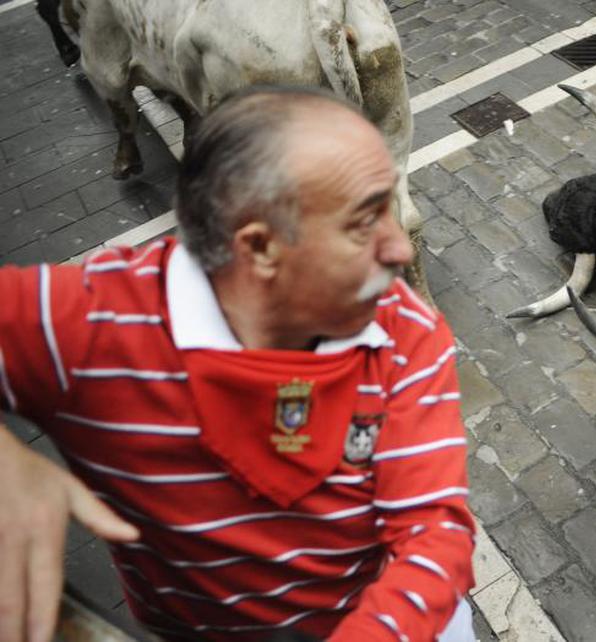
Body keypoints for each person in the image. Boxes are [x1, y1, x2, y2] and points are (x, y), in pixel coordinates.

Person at [0, 86, 476, 641]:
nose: (402, 249)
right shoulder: (88, 322)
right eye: (365, 221)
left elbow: (434, 533)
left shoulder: (404, 331)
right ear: (259, 249)